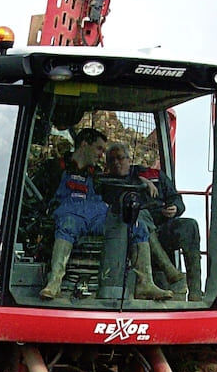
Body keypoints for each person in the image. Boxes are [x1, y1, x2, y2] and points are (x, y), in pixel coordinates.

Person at [38, 128, 171, 301]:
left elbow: (123, 179)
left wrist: (143, 180)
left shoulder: (98, 174)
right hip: (69, 215)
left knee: (136, 225)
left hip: (97, 217)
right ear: (84, 145)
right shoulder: (56, 167)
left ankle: (145, 283)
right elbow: (39, 199)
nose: (101, 155)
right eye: (99, 149)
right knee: (67, 225)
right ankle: (54, 282)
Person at [105, 144, 203, 301]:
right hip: (132, 232)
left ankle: (196, 292)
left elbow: (177, 199)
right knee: (139, 213)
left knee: (189, 225)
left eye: (120, 158)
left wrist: (175, 208)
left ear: (129, 160)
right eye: (112, 160)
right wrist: (142, 181)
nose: (116, 163)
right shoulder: (109, 182)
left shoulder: (156, 175)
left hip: (162, 226)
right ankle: (170, 270)